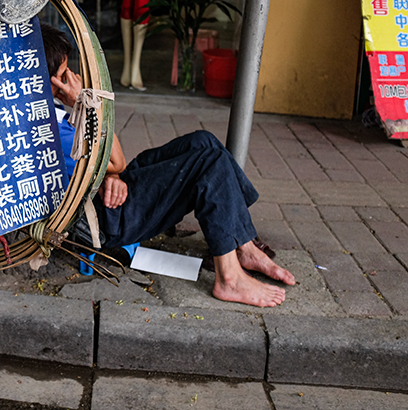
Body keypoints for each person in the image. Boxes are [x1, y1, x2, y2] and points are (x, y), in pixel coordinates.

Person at [41, 26, 295, 307]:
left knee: (203, 142)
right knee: (208, 164)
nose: (72, 78)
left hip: (103, 189)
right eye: (64, 75)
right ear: (48, 82)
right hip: (102, 219)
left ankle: (243, 245)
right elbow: (115, 161)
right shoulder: (48, 127)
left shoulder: (51, 110)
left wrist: (112, 174)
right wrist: (86, 107)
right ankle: (229, 279)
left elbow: (108, 163)